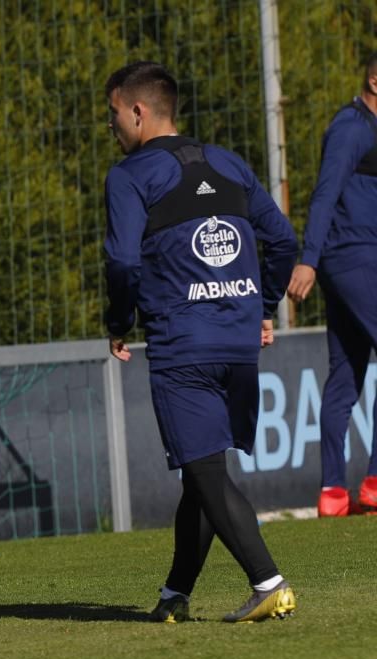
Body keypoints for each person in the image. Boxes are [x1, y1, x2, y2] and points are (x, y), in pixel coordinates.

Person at [103, 62, 298, 623]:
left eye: (113, 114)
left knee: (206, 471)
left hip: (182, 343)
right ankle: (174, 595)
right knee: (202, 471)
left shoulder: (129, 175)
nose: (111, 126)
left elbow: (121, 261)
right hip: (237, 340)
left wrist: (120, 320)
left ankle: (269, 581)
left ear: (138, 112)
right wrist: (261, 309)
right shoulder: (228, 162)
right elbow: (282, 241)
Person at [287, 53, 377, 517]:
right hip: (353, 258)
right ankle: (375, 484)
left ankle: (332, 493)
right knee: (345, 378)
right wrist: (309, 260)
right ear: (374, 80)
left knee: (345, 376)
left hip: (353, 259)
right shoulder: (351, 127)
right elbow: (325, 193)